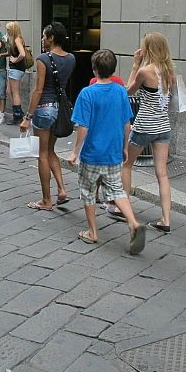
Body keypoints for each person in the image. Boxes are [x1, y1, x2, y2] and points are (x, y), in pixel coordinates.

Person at [69, 49, 146, 254]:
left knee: (88, 191)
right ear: (113, 70)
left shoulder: (87, 93)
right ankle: (133, 222)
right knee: (116, 190)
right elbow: (127, 122)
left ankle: (92, 232)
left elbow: (83, 126)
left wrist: (75, 152)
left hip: (92, 154)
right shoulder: (121, 91)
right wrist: (124, 147)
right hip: (113, 152)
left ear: (94, 70)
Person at [115, 33, 176, 233]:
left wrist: (134, 65)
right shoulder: (170, 72)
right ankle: (166, 219)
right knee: (162, 174)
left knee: (126, 164)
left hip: (144, 126)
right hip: (163, 127)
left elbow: (127, 92)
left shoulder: (144, 71)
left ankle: (122, 207)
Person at [20, 22, 75, 211]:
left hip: (44, 109)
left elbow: (38, 90)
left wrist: (28, 116)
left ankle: (46, 200)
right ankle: (61, 189)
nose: (42, 39)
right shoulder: (71, 59)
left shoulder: (43, 59)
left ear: (51, 38)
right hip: (58, 109)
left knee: (41, 154)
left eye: (44, 36)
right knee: (51, 151)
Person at [4, 21, 28, 125]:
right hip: (14, 68)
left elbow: (22, 54)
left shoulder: (17, 39)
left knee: (15, 92)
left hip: (16, 68)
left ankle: (17, 115)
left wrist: (15, 60)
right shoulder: (14, 39)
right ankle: (18, 112)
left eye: (9, 29)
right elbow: (12, 53)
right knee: (9, 91)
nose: (7, 31)